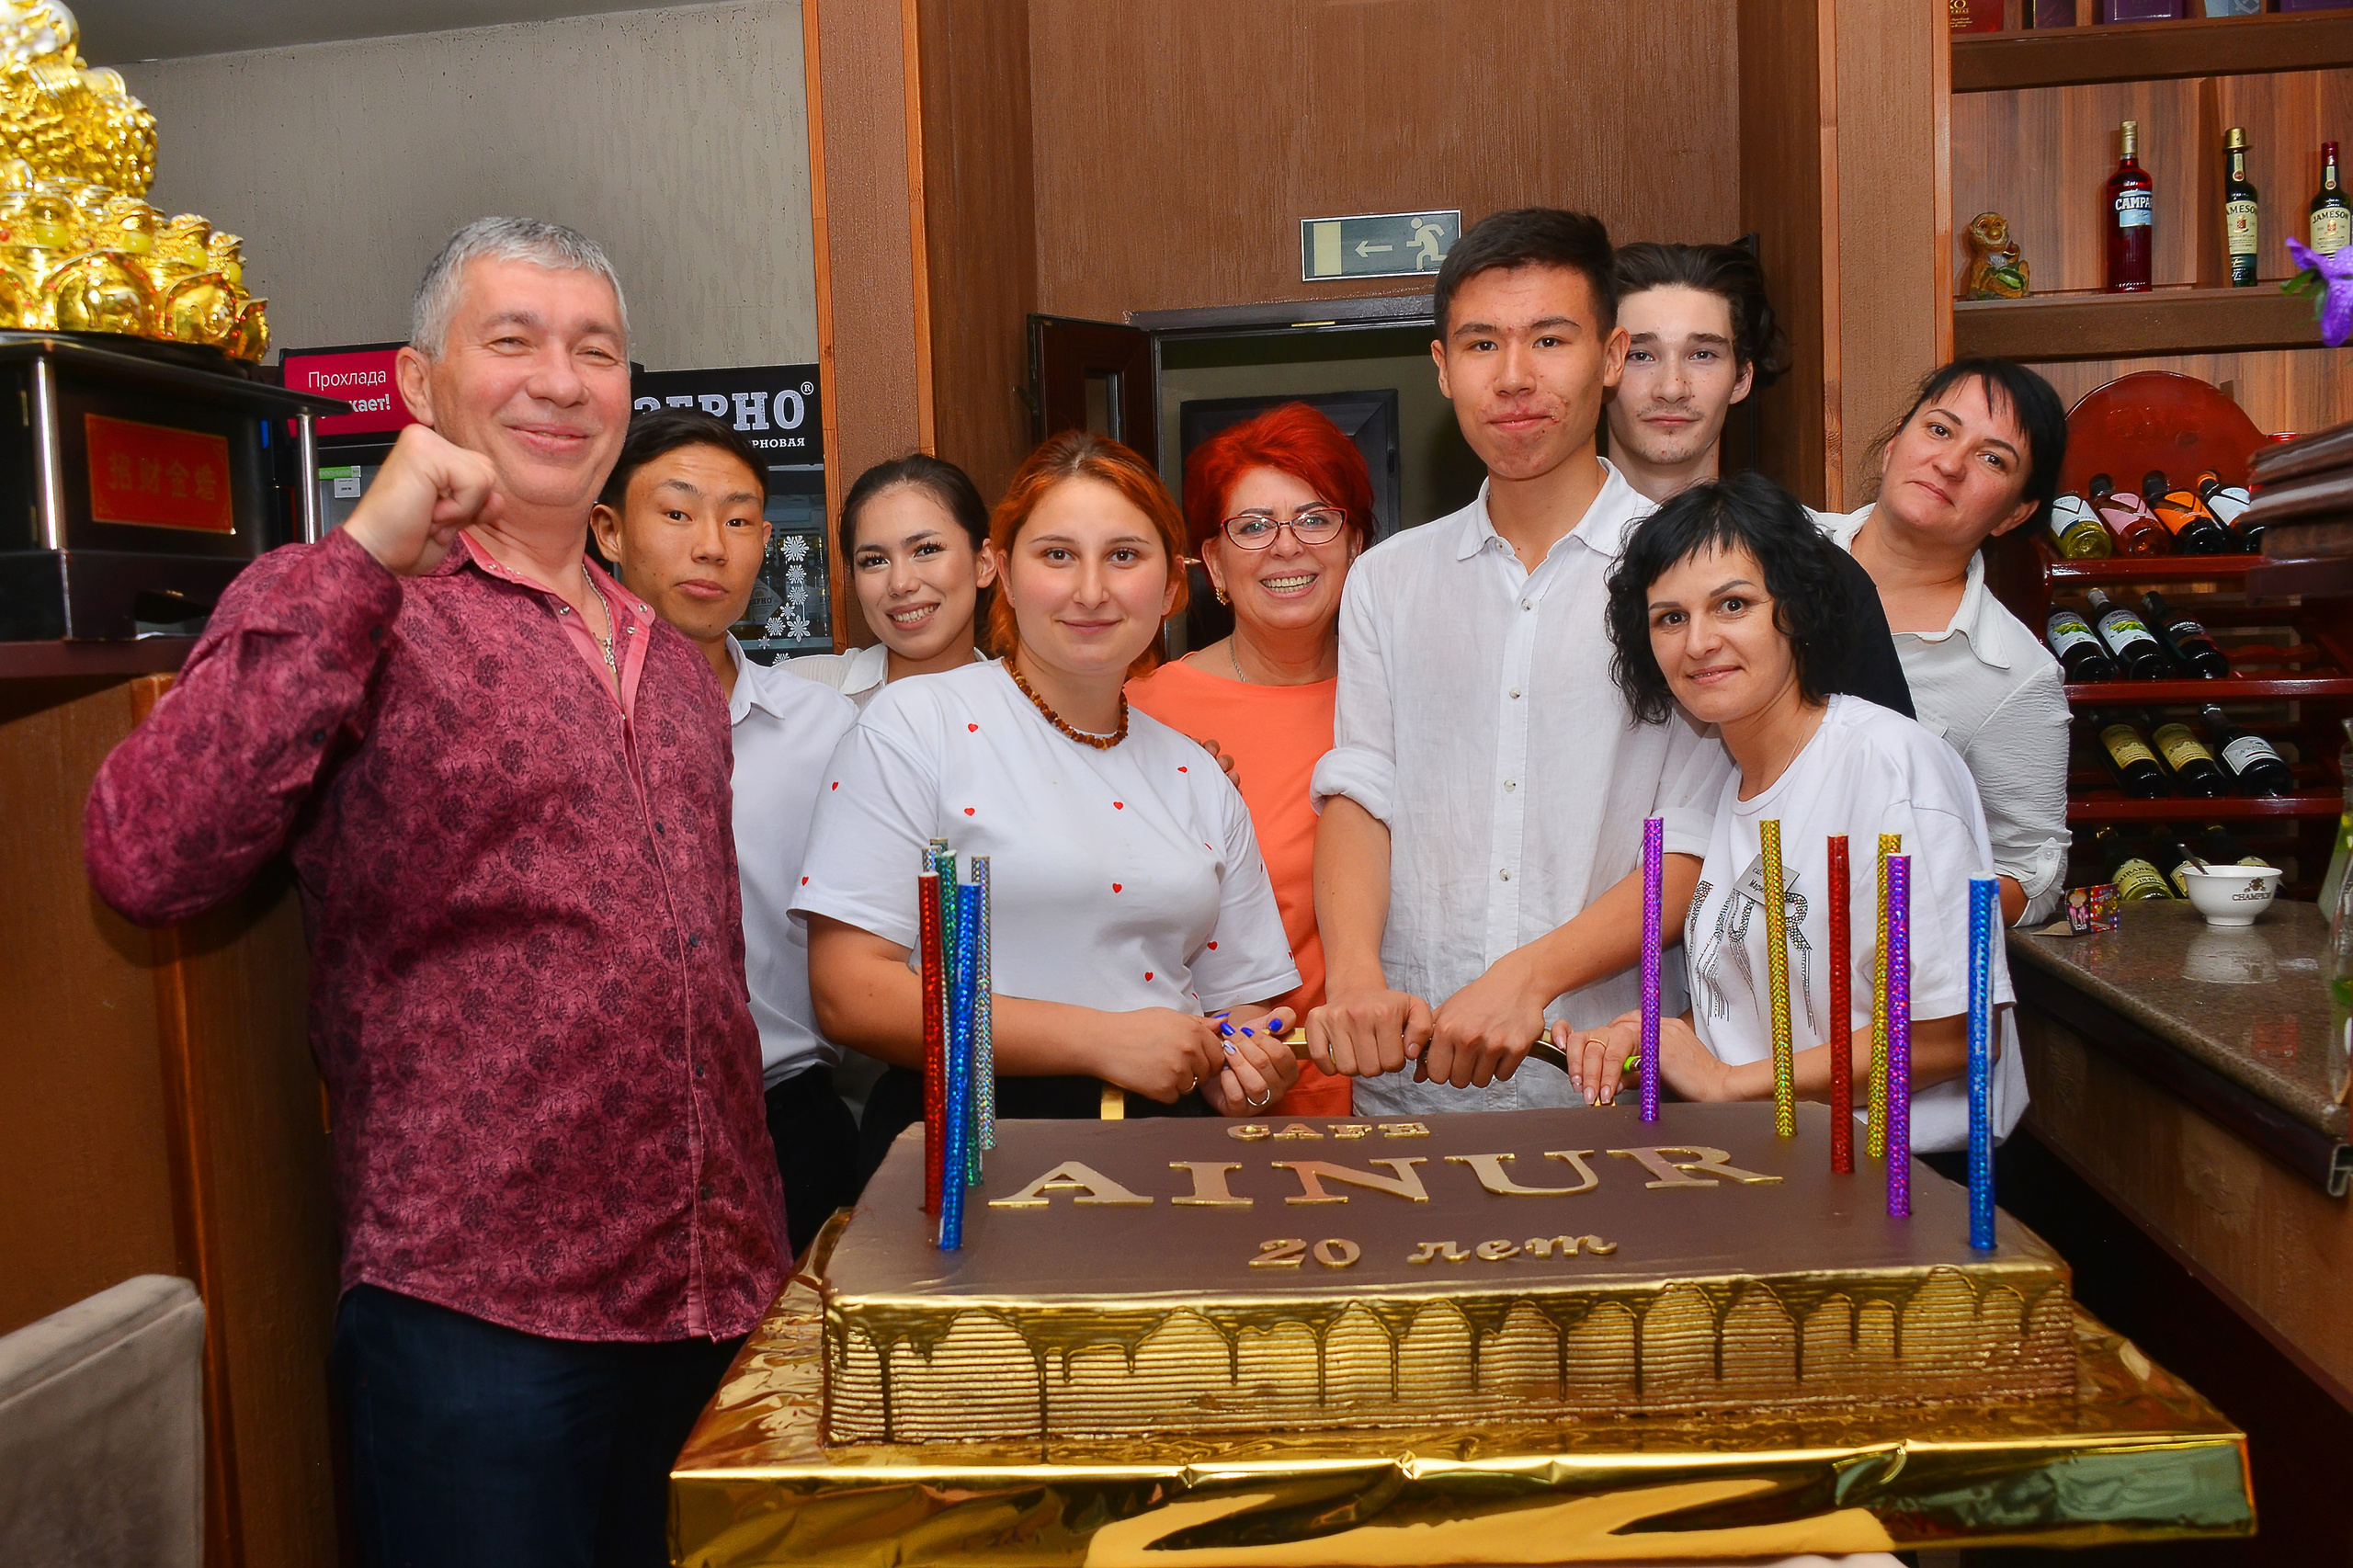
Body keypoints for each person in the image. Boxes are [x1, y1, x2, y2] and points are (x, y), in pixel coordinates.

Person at [82, 219, 787, 1568]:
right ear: (419, 382)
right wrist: (364, 554)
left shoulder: (668, 653)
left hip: (710, 1295)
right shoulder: (355, 605)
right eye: (512, 339)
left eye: (596, 350)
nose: (561, 380)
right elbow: (147, 850)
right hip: (479, 1314)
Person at [1303, 207, 1733, 1112]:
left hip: (1603, 1081)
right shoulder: (1387, 579)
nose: (1513, 377)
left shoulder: (1689, 573)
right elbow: (1361, 792)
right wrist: (1354, 977)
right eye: (1481, 344)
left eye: (1549, 339)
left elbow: (1695, 842)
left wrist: (1524, 978)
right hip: (1410, 1079)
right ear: (1441, 367)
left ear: (1610, 357)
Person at [796, 430, 1303, 1178]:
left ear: (1171, 587)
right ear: (1003, 572)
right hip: (964, 1147)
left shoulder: (1196, 773)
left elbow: (1241, 1004)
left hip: (1166, 1156)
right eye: (1057, 555)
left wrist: (1245, 1065)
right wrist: (1101, 1040)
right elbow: (851, 992)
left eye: (1124, 556)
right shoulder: (917, 724)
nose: (1090, 591)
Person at [1565, 471, 2025, 1157]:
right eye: (1670, 617)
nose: (1698, 642)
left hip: (1905, 1180)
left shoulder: (1887, 765)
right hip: (1777, 1164)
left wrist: (1727, 1085)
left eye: (1732, 605)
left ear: (1796, 609)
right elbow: (1784, 1008)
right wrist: (1661, 1035)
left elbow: (1953, 1036)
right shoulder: (1731, 786)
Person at [588, 408, 859, 1259]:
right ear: (608, 531)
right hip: (605, 1135)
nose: (712, 546)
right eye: (677, 514)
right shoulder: (553, 723)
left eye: (739, 521)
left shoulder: (826, 729)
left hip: (791, 1119)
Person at [1127, 403, 1370, 1118]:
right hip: (1216, 1098)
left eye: (1315, 519)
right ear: (1214, 564)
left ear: (1355, 544)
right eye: (1254, 526)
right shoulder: (1143, 714)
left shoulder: (1402, 701)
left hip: (1408, 1089)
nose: (1286, 547)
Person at [1606, 240, 1913, 720]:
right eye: (1642, 355)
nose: (1672, 387)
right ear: (1602, 368)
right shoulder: (1537, 568)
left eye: (1702, 354)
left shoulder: (1814, 574)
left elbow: (1881, 755)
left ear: (1742, 378)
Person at [1816, 358, 2073, 926]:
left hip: (1873, 962)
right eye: (1939, 429)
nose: (1950, 464)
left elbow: (2031, 875)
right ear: (1893, 445)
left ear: (2016, 513)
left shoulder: (2014, 675)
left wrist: (1903, 905)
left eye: (1992, 459)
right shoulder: (1772, 551)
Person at [786, 452, 996, 708]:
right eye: (874, 560)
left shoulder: (1027, 709)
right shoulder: (796, 695)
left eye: (926, 550)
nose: (900, 584)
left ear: (984, 563)